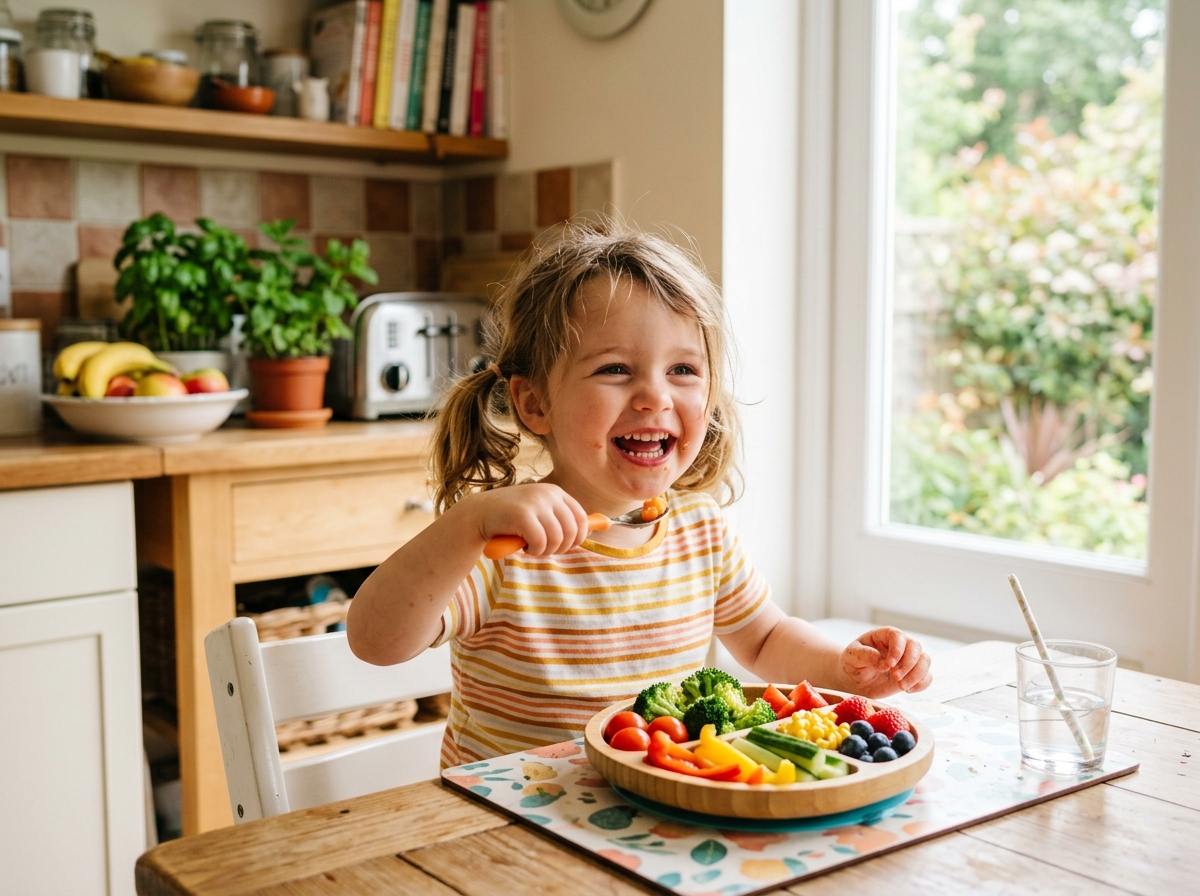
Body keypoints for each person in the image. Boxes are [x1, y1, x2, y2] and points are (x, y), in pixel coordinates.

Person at [347, 223, 933, 766]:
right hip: (510, 834)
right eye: (615, 370)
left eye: (683, 370)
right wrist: (466, 524)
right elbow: (375, 642)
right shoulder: (502, 544)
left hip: (647, 827)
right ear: (534, 404)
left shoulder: (700, 530)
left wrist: (845, 668)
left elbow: (767, 638)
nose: (655, 396)